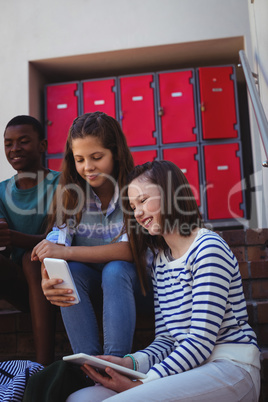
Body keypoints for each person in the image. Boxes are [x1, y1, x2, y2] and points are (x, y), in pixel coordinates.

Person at [66, 160, 261, 402]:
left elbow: (200, 342)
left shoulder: (207, 248)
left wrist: (142, 383)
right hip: (187, 369)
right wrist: (129, 362)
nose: (137, 213)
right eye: (132, 206)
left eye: (144, 201)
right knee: (81, 399)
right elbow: (168, 339)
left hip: (230, 367)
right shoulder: (161, 262)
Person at [31, 111, 152, 358]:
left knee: (115, 269)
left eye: (96, 157)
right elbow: (57, 242)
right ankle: (88, 367)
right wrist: (48, 274)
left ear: (116, 153)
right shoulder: (71, 194)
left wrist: (65, 252)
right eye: (79, 159)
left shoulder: (134, 189)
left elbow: (129, 250)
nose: (88, 167)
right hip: (94, 290)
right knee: (70, 272)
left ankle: (114, 363)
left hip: (138, 288)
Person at [0, 115, 60, 365]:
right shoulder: (2, 190)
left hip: (55, 282)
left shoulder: (62, 184)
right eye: (8, 143)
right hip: (18, 288)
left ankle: (43, 368)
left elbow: (59, 238)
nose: (14, 149)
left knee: (32, 258)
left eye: (23, 141)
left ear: (42, 146)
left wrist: (13, 237)